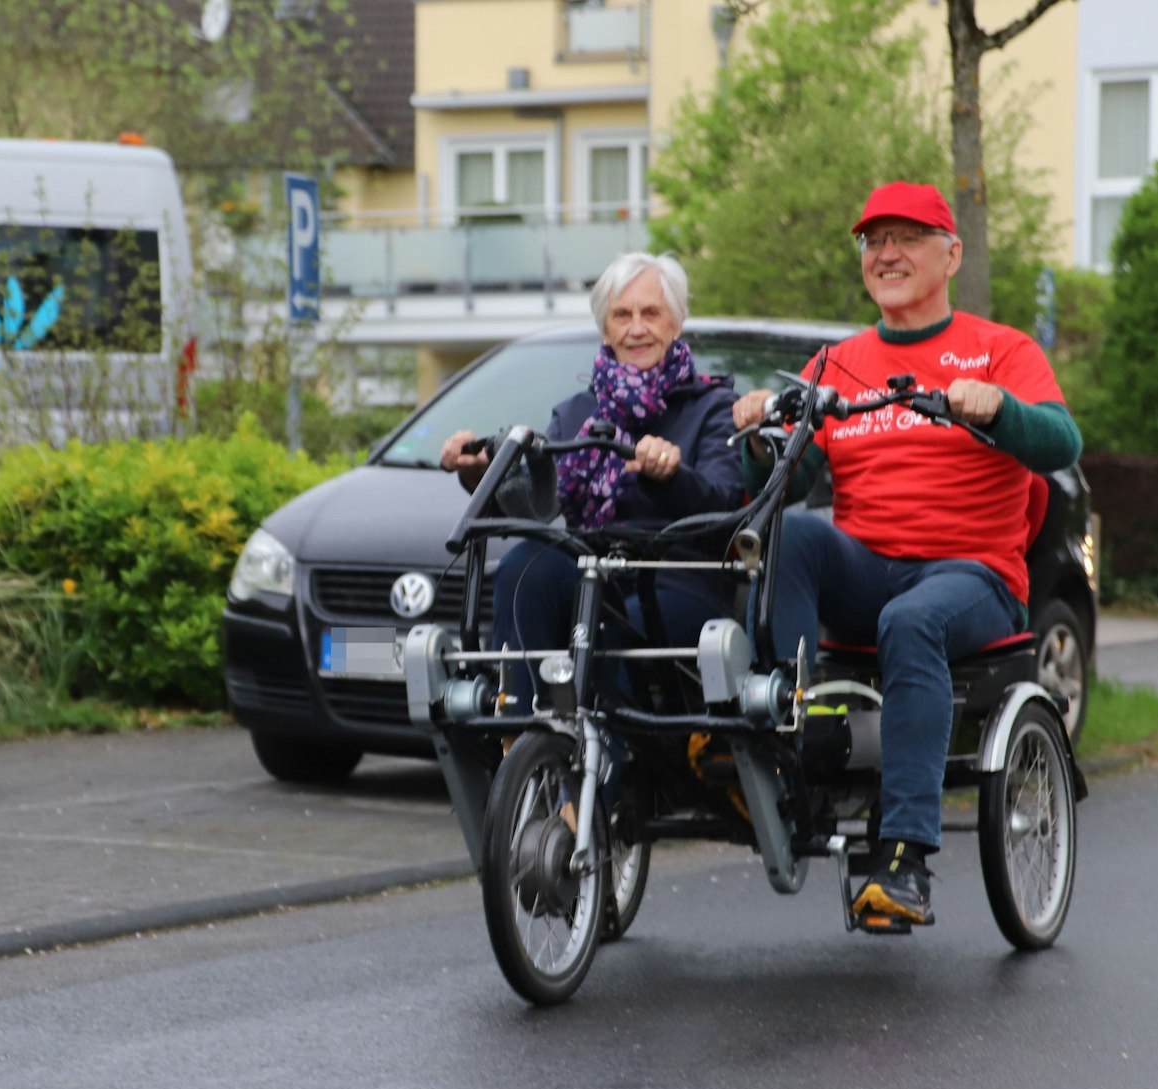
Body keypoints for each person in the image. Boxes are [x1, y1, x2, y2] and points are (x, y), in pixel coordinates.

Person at [731, 182, 1082, 932]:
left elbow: (1063, 443)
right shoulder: (837, 362)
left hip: (974, 576)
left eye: (907, 237)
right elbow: (769, 482)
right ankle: (787, 745)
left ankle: (905, 859)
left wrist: (999, 408)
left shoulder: (1001, 349)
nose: (886, 253)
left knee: (910, 620)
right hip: (869, 565)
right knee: (791, 536)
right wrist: (760, 432)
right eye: (872, 240)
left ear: (950, 253)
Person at [440, 252, 746, 719]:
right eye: (622, 315)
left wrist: (670, 477)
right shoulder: (575, 412)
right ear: (605, 329)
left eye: (651, 313)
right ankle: (521, 743)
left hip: (675, 579)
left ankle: (599, 776)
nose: (636, 327)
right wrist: (475, 471)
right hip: (591, 572)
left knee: (606, 624)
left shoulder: (714, 405)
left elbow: (726, 504)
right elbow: (537, 509)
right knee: (524, 567)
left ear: (676, 323)